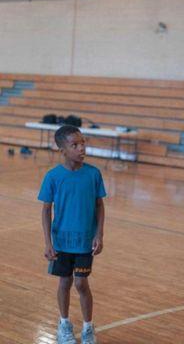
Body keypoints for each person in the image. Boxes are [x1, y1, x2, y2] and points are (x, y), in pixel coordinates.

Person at [39, 125, 106, 344]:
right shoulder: (53, 177)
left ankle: (88, 327)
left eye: (83, 143)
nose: (81, 148)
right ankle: (64, 324)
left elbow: (99, 206)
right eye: (74, 145)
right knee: (65, 283)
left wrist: (99, 234)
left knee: (81, 283)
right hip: (61, 242)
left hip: (84, 242)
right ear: (63, 150)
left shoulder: (93, 174)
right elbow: (46, 210)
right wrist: (48, 242)